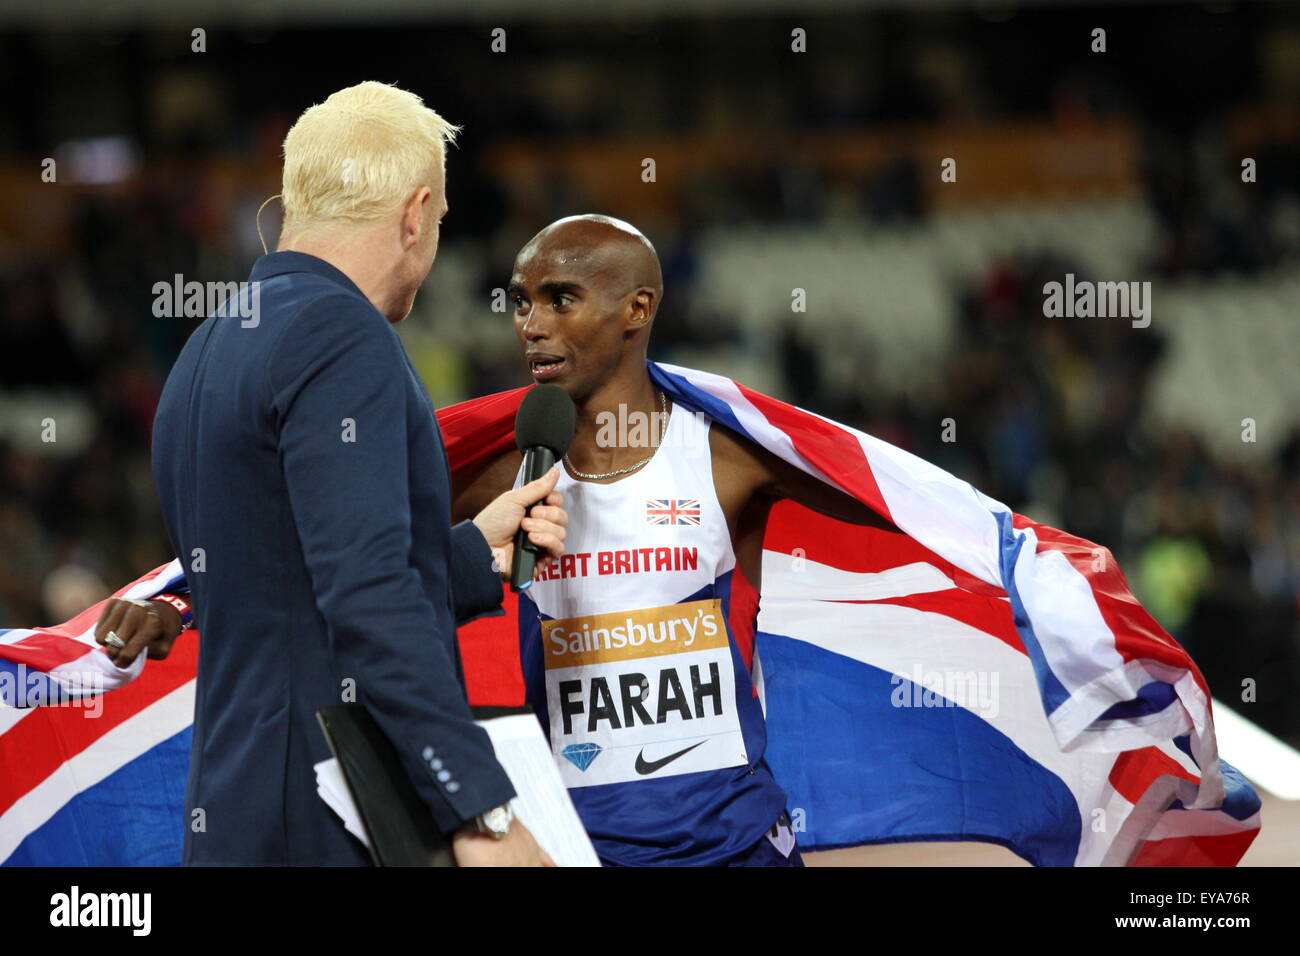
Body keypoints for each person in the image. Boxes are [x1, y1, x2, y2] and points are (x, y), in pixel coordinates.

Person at [147, 82, 568, 866]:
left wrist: (473, 550)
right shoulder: (342, 334)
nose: (434, 241)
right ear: (413, 215)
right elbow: (365, 596)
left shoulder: (209, 343)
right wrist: (480, 809)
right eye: (439, 222)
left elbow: (285, 583)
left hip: (238, 809)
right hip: (335, 815)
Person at [449, 215, 898, 866]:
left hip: (734, 845)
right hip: (575, 848)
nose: (531, 324)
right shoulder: (498, 475)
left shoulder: (727, 456)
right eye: (521, 301)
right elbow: (376, 580)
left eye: (560, 299)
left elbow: (902, 508)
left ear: (637, 307)